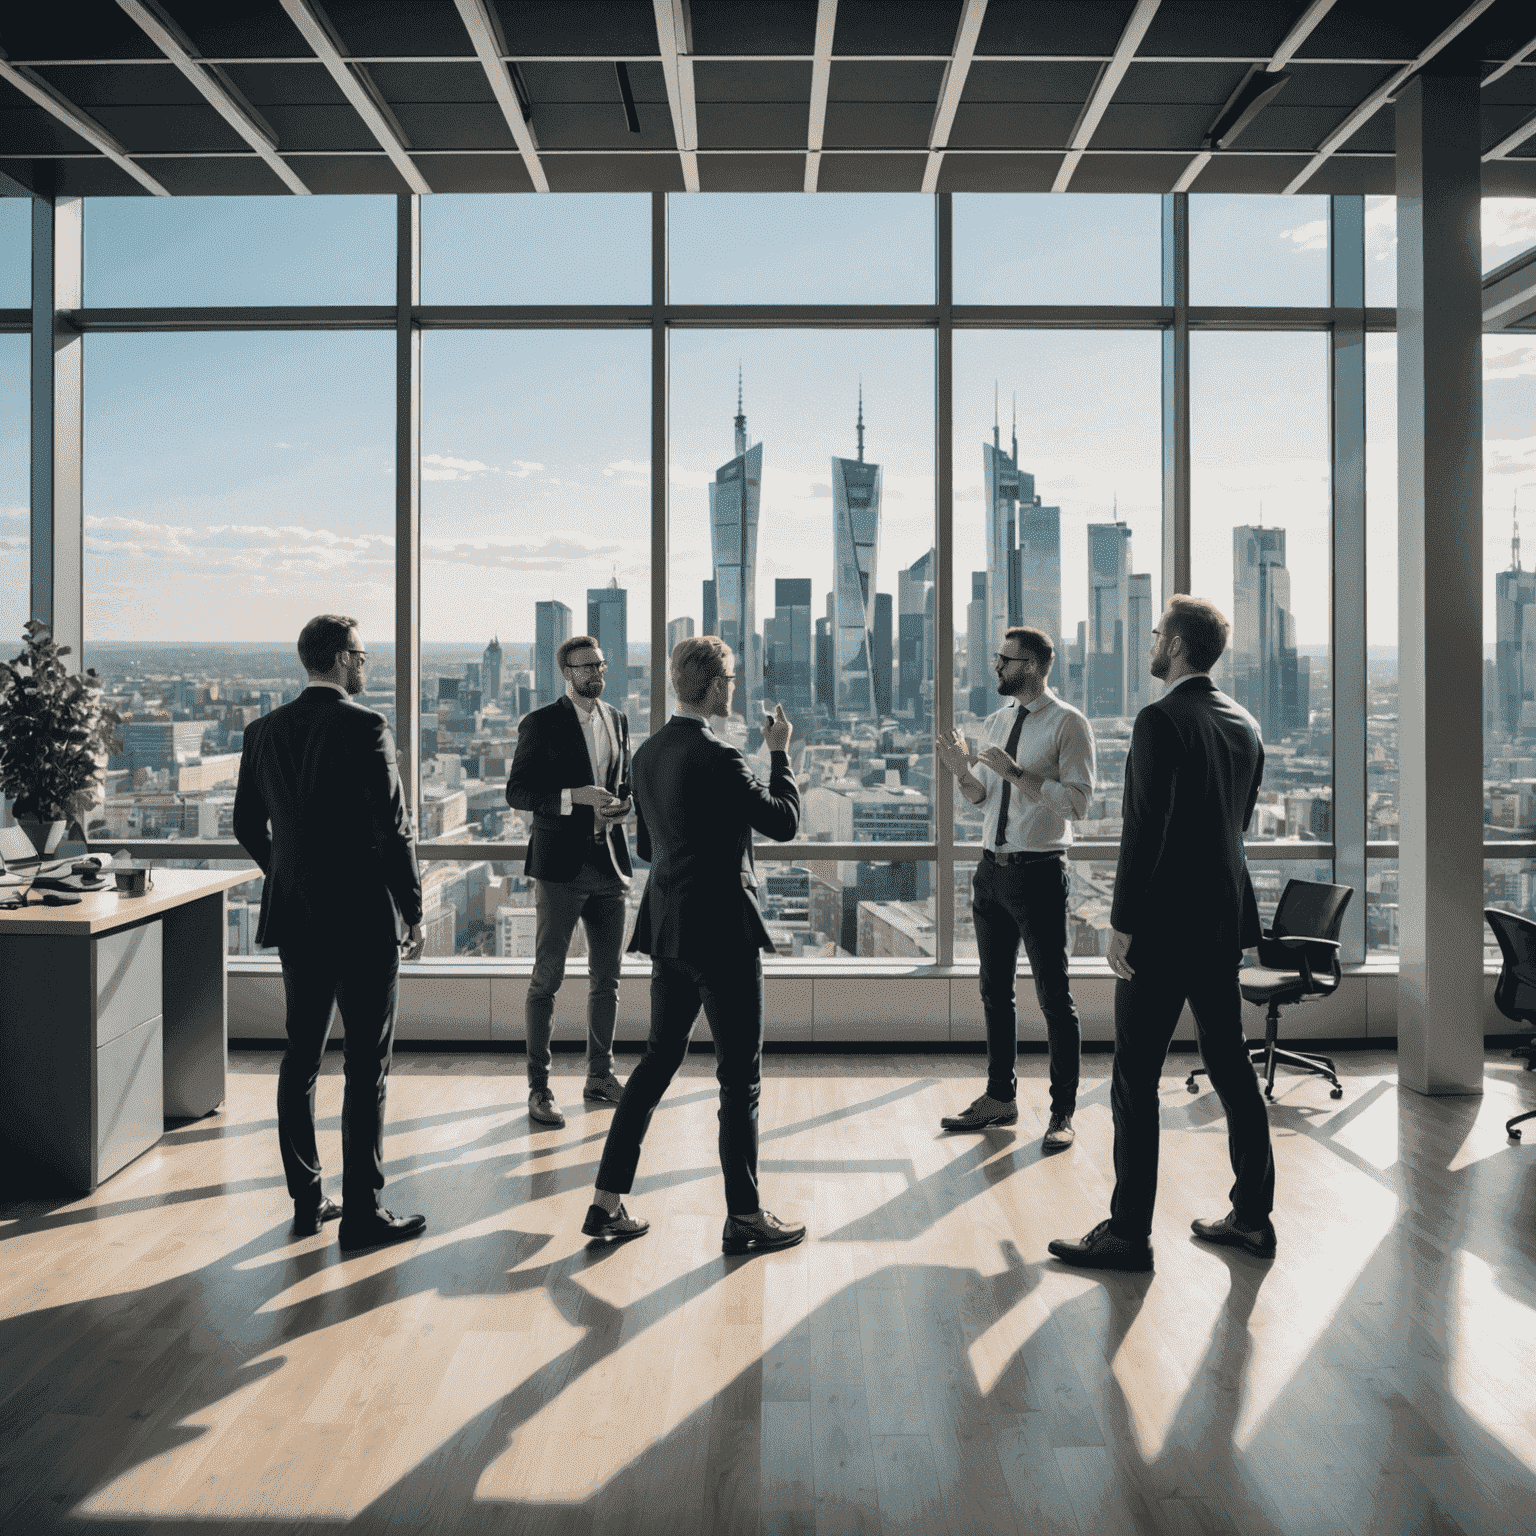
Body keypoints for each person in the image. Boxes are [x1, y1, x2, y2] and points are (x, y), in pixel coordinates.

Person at [1049, 595, 1274, 1273]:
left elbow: (1142, 829)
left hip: (1164, 925)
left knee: (1134, 1079)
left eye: (1156, 636)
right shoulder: (1245, 723)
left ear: (1176, 647)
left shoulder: (1159, 719)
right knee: (1232, 1068)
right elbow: (1236, 823)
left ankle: (1127, 1234)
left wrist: (1122, 923)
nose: (1151, 644)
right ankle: (1254, 1218)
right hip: (1219, 922)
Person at [582, 635, 805, 1255]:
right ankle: (745, 1218)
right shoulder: (722, 757)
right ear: (711, 687)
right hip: (724, 936)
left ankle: (606, 1201)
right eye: (730, 680)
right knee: (741, 1080)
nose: (734, 690)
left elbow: (651, 848)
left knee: (656, 1064)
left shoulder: (647, 754)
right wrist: (780, 755)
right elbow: (784, 822)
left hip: (670, 930)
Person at [233, 614, 427, 1250]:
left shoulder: (262, 731)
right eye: (364, 654)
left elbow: (245, 826)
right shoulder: (365, 725)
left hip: (297, 916)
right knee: (367, 1061)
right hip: (362, 919)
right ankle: (366, 1212)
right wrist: (414, 909)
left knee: (301, 1057)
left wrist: (287, 874)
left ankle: (307, 1199)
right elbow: (393, 830)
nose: (367, 663)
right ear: (344, 658)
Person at [935, 626, 1095, 1148]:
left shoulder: (1069, 724)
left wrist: (1018, 772)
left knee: (1054, 996)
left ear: (1033, 665)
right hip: (992, 872)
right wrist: (962, 772)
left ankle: (1062, 1113)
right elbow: (984, 800)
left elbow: (1076, 804)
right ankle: (999, 1098)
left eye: (1005, 660)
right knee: (993, 992)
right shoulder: (996, 721)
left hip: (1040, 872)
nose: (996, 667)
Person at [504, 635, 633, 1128]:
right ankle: (539, 1088)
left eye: (600, 664)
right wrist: (573, 797)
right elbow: (518, 791)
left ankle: (600, 1076)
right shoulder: (541, 722)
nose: (596, 673)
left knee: (608, 979)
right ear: (566, 672)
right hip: (560, 868)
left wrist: (624, 805)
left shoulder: (617, 719)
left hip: (609, 864)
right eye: (585, 667)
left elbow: (623, 783)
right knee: (547, 980)